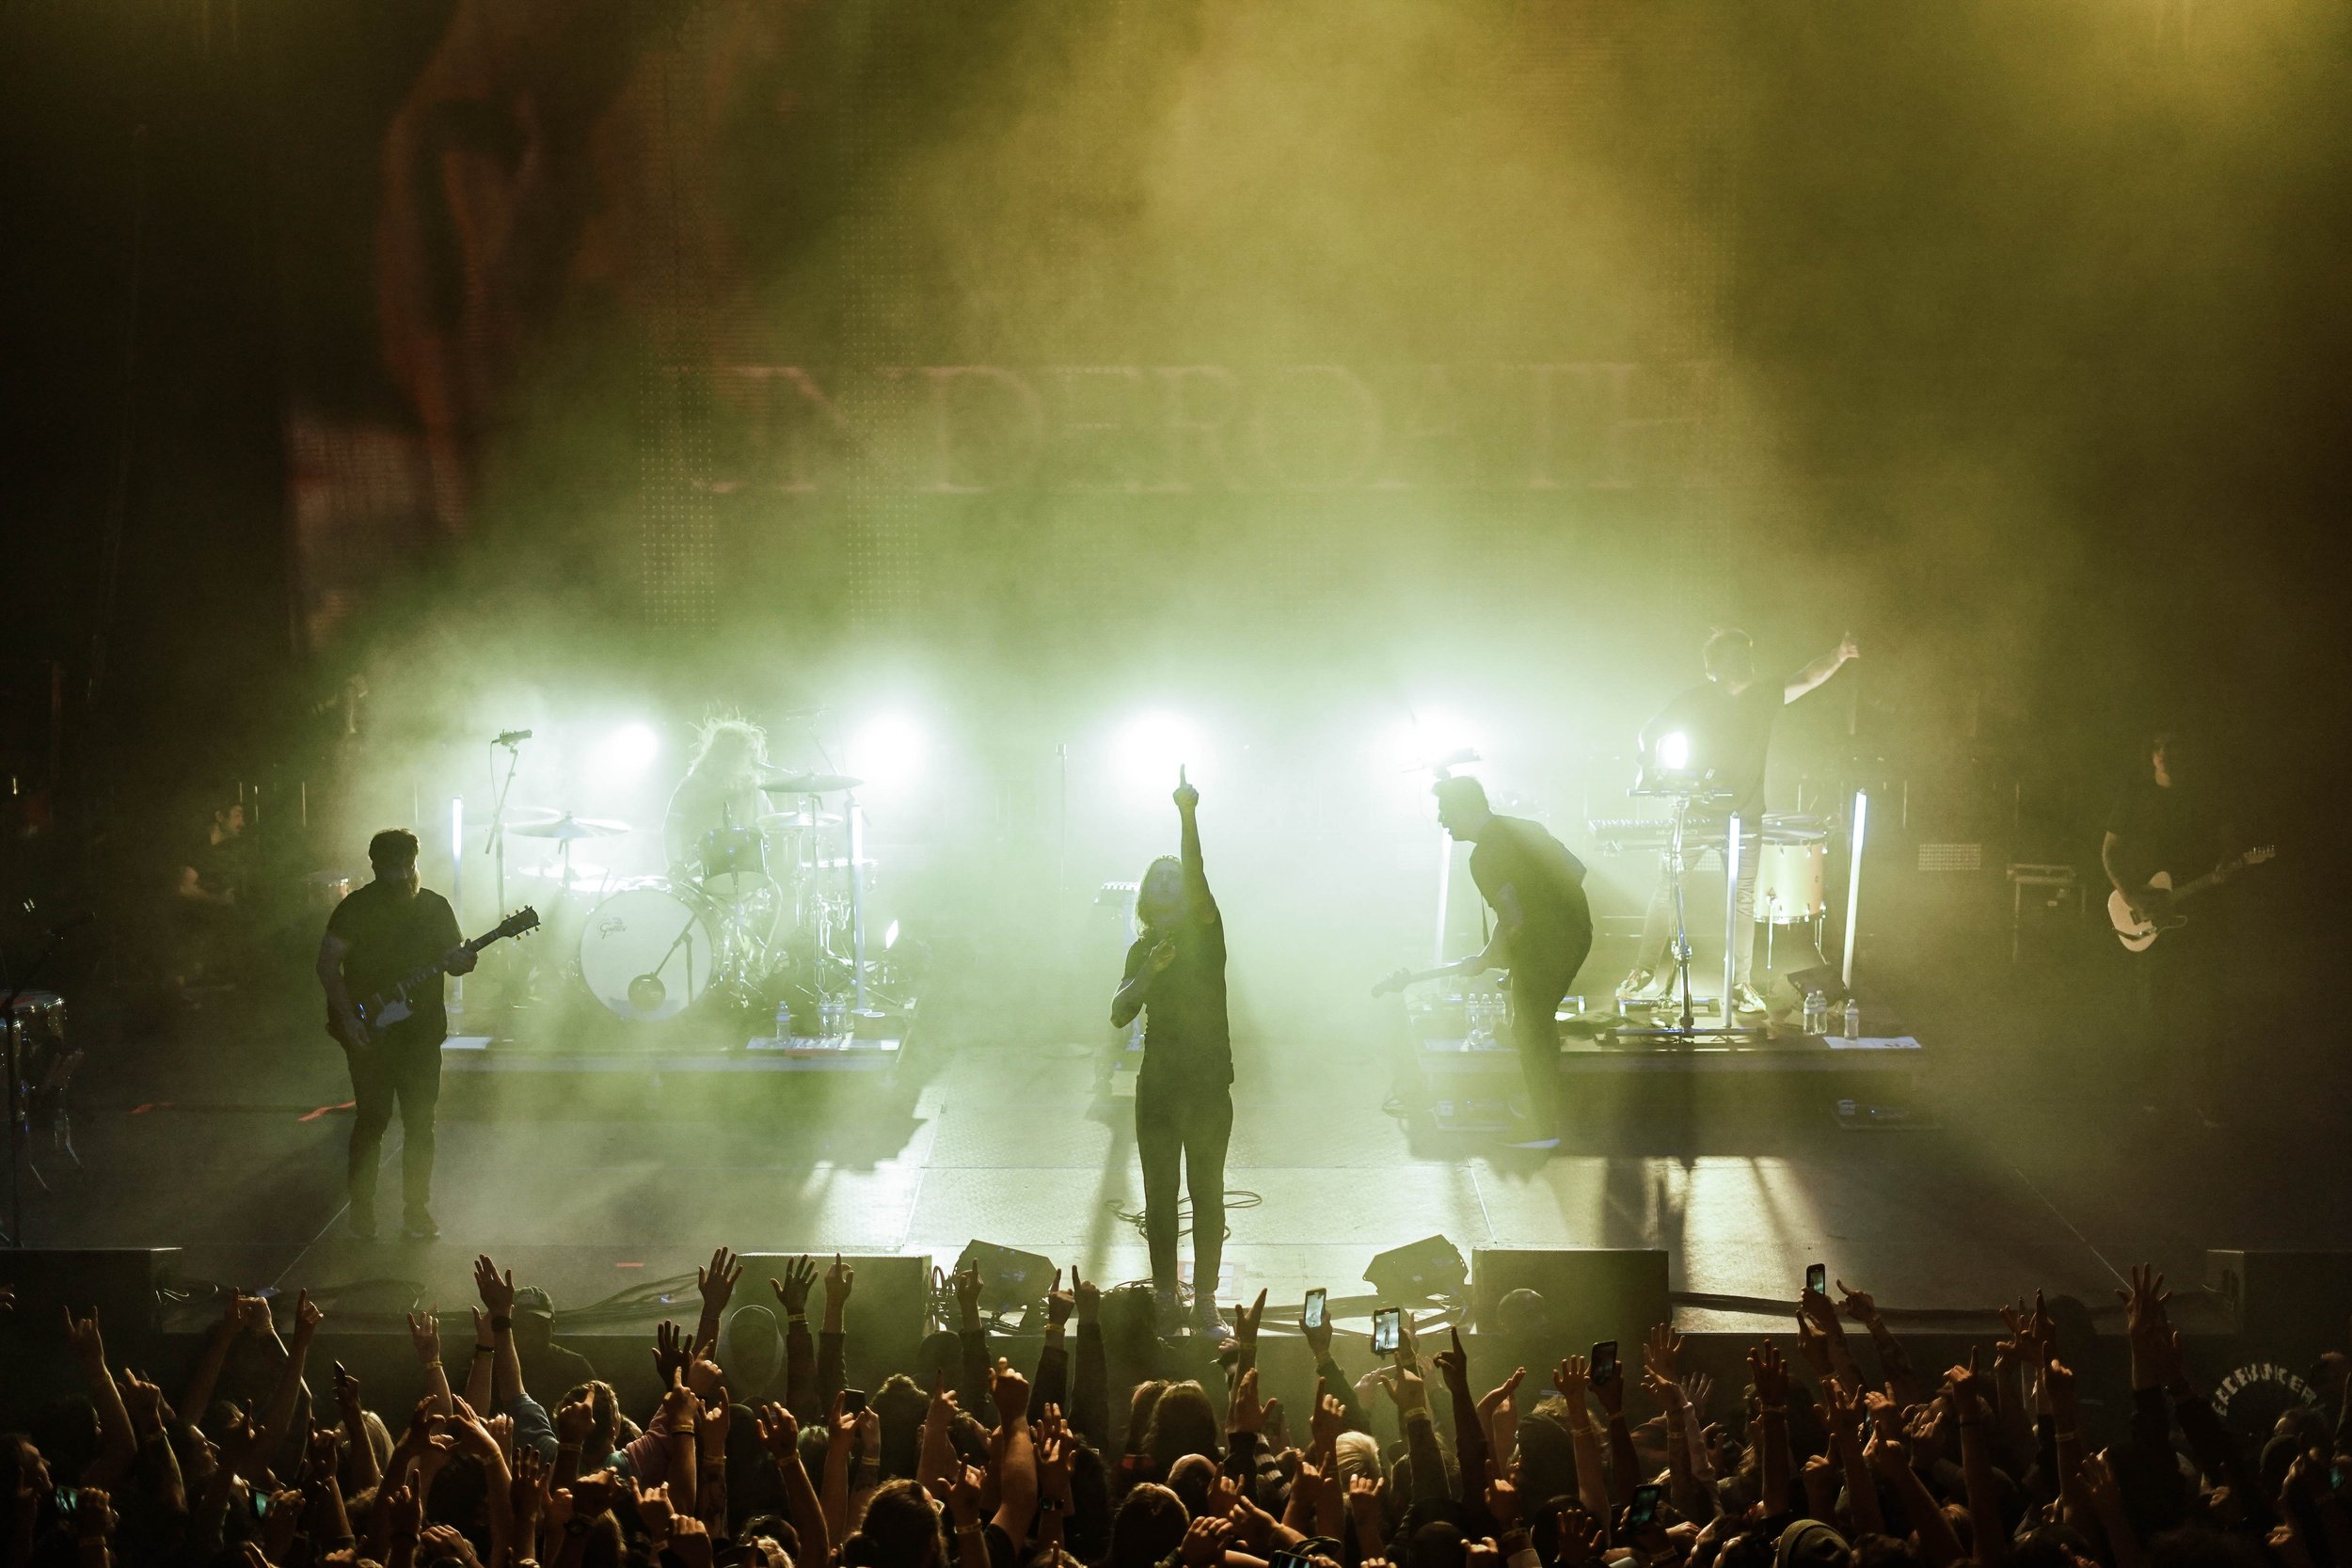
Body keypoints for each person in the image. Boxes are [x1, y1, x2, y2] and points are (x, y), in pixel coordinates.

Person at [1622, 626, 1859, 1015]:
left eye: (1748, 654)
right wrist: (1647, 768)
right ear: (1714, 667)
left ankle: (1739, 984)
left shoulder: (1765, 695)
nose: (1747, 661)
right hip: (1696, 814)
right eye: (1737, 655)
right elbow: (1650, 731)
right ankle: (1642, 971)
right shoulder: (1694, 701)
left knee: (1742, 900)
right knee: (1667, 890)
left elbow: (1808, 676)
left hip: (1745, 817)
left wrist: (1839, 654)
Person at [1110, 770, 1232, 1338]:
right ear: (1144, 895)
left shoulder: (1206, 931)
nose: (1168, 881)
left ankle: (1205, 1299)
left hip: (1207, 1081)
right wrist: (1148, 974)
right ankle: (1165, 1297)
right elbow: (1118, 1011)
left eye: (1174, 877)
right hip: (1158, 1083)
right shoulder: (1142, 948)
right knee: (1160, 1197)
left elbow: (1199, 873)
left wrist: (1187, 816)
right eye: (1156, 878)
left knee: (1207, 1192)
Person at [317, 828, 476, 1241]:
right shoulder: (356, 908)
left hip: (421, 1032)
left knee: (421, 1123)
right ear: (375, 867)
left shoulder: (435, 907)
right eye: (394, 868)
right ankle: (362, 1213)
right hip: (371, 1033)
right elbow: (327, 965)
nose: (404, 875)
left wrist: (463, 961)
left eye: (409, 865)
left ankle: (416, 1212)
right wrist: (350, 1019)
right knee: (372, 1121)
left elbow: (454, 962)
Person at [1433, 774, 1594, 1150]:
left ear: (1464, 808)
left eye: (1445, 811)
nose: (1441, 820)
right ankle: (1545, 1113)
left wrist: (1487, 959)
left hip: (1547, 945)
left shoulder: (1483, 857)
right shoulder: (1527, 828)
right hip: (1579, 933)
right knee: (1534, 1022)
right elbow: (1576, 870)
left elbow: (1514, 918)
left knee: (1530, 1029)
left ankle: (1543, 1129)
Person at [2101, 731, 2242, 1118]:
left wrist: (2227, 865)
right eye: (2158, 747)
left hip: (2201, 914)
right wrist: (2130, 897)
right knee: (2154, 1005)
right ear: (2151, 754)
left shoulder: (2207, 797)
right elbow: (2109, 851)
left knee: (2210, 1007)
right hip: (2152, 913)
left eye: (2171, 748)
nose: (2162, 754)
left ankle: (2209, 1097)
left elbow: (2229, 845)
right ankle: (2154, 1091)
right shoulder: (2134, 795)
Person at [663, 716, 771, 879]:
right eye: (748, 751)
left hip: (748, 877)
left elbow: (772, 825)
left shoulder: (755, 790)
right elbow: (672, 827)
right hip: (700, 876)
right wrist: (676, 864)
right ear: (730, 752)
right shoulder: (696, 783)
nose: (752, 757)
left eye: (754, 752)